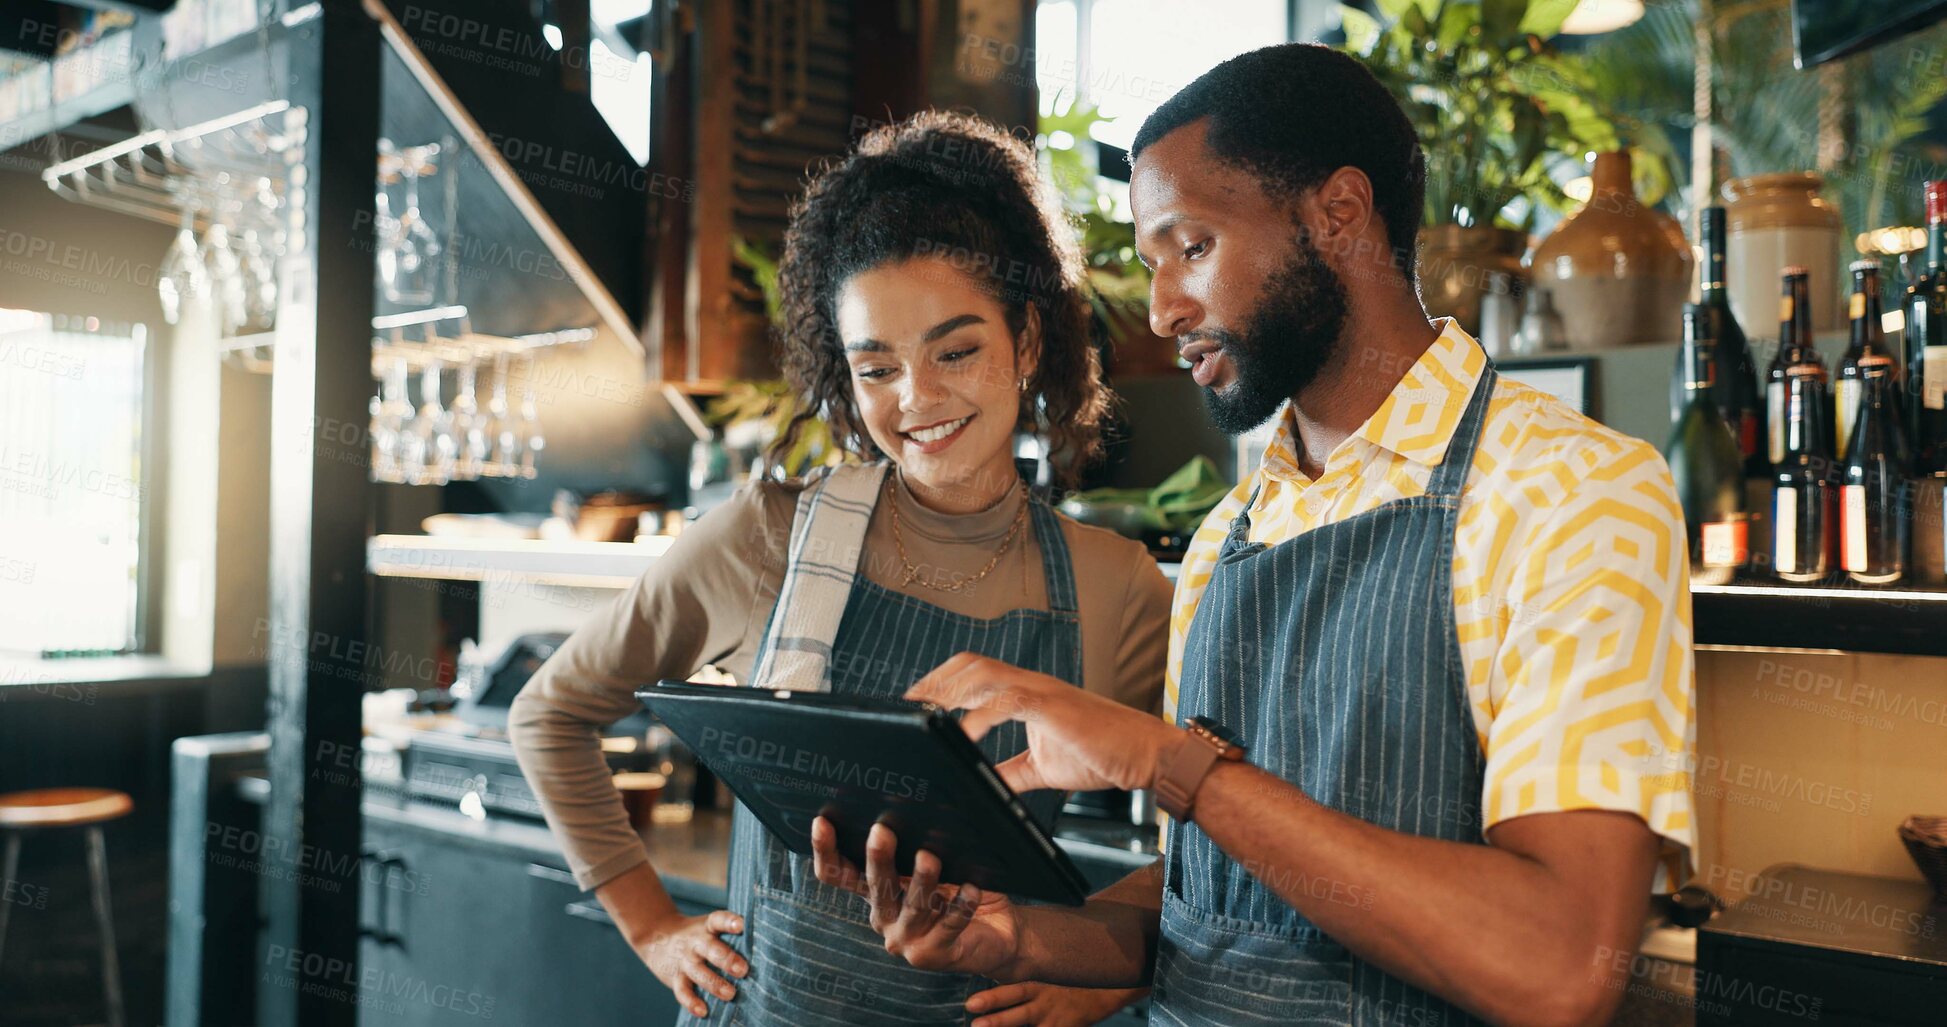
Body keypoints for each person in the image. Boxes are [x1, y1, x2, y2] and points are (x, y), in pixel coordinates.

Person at [817, 44, 1698, 1027]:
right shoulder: (1228, 538)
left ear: (1339, 215)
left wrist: (1166, 760)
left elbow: (1561, 963)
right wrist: (1021, 934)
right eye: (1152, 267)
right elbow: (1217, 904)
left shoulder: (1572, 494)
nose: (1162, 310)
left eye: (1192, 248)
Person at [507, 111, 1172, 1027]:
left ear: (1025, 340)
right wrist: (652, 926)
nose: (917, 398)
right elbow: (550, 711)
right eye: (876, 368)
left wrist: (1100, 976)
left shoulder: (1118, 586)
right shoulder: (766, 537)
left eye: (957, 349)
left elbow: (1225, 840)